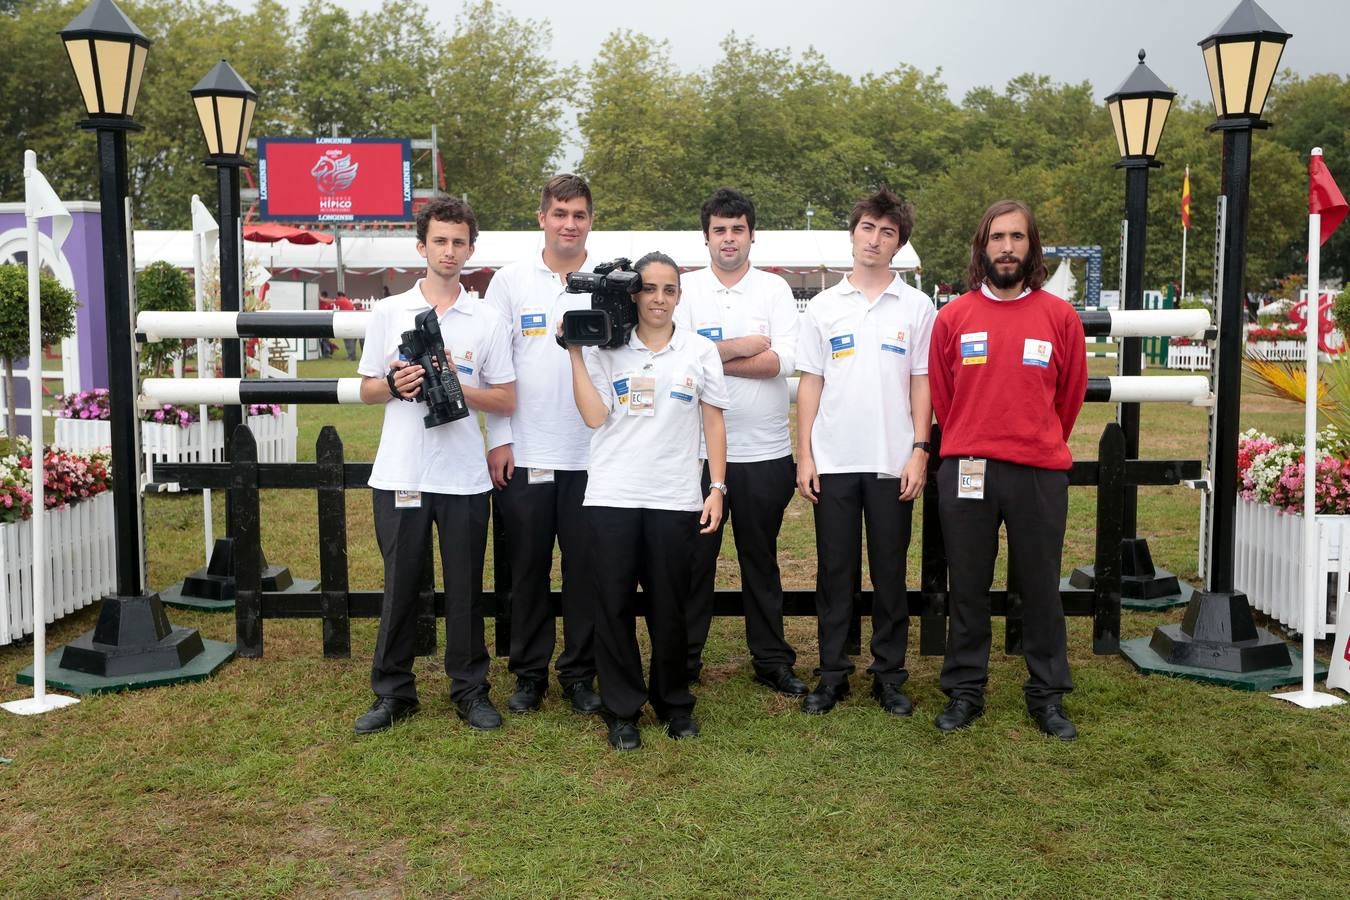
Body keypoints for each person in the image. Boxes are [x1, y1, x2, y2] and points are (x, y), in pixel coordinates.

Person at [352, 196, 516, 735]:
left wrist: (455, 386)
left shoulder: (486, 318)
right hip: (401, 470)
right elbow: (368, 388)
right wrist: (396, 385)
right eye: (439, 241)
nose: (449, 251)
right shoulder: (389, 311)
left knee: (466, 586)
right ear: (421, 246)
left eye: (459, 242)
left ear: (472, 248)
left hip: (464, 474)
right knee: (401, 585)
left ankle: (470, 690)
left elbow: (506, 398)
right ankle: (394, 692)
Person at [928, 199, 1087, 741]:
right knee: (968, 585)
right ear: (983, 246)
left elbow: (1070, 396)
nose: (1007, 247)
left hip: (1038, 472)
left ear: (1031, 247)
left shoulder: (1058, 317)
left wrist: (1036, 440)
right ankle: (966, 691)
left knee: (1041, 587)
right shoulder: (953, 316)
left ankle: (1046, 696)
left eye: (1017, 237)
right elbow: (944, 400)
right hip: (968, 468)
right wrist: (974, 439)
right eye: (997, 237)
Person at [566, 252, 730, 750]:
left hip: (675, 497)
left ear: (679, 295)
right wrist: (575, 352)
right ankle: (622, 710)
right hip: (612, 496)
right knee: (612, 606)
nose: (659, 298)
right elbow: (595, 417)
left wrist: (716, 489)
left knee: (669, 608)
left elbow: (714, 423)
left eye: (669, 289)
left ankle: (673, 703)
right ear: (634, 293)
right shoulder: (605, 349)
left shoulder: (700, 351)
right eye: (650, 288)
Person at [796, 188, 934, 716]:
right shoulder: (824, 307)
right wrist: (805, 456)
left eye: (888, 232)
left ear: (899, 244)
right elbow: (811, 382)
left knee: (891, 571)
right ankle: (832, 674)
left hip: (892, 460)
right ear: (852, 233)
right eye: (868, 228)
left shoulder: (917, 307)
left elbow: (921, 383)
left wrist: (919, 449)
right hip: (833, 461)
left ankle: (889, 674)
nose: (875, 240)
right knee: (835, 572)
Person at [676, 188, 805, 696]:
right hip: (698, 457)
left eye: (737, 229)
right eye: (719, 230)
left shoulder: (774, 291)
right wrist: (743, 347)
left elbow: (786, 361)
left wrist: (711, 356)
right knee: (694, 564)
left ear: (752, 234)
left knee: (762, 562)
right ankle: (684, 661)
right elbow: (679, 359)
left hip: (766, 454)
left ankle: (771, 660)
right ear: (705, 236)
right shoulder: (683, 289)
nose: (728, 239)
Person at [484, 174, 603, 716]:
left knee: (586, 571)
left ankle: (579, 673)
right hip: (527, 451)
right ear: (542, 218)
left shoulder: (607, 282)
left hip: (592, 455)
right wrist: (501, 439)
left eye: (578, 214)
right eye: (560, 213)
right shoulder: (509, 283)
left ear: (590, 221)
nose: (569, 224)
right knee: (528, 569)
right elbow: (493, 367)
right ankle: (529, 674)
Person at [334, 290, 359, 360]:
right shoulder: (347, 300)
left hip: (347, 323)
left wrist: (321, 298)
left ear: (339, 296)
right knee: (351, 341)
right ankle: (352, 356)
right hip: (351, 322)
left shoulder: (341, 300)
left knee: (348, 340)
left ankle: (351, 357)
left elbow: (332, 302)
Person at [317, 290, 335, 358]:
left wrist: (317, 291)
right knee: (324, 339)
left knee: (325, 339)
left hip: (323, 323)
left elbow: (320, 298)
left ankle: (326, 353)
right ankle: (324, 352)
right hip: (324, 322)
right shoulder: (325, 302)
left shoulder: (324, 301)